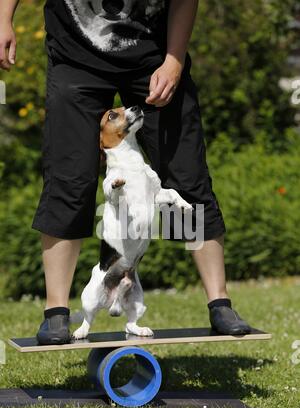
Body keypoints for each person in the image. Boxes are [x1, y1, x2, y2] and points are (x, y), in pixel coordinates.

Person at [0, 0, 251, 345]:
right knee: (70, 179)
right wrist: (3, 19)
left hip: (153, 57)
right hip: (75, 57)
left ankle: (219, 303)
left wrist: (174, 61)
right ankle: (56, 312)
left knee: (184, 178)